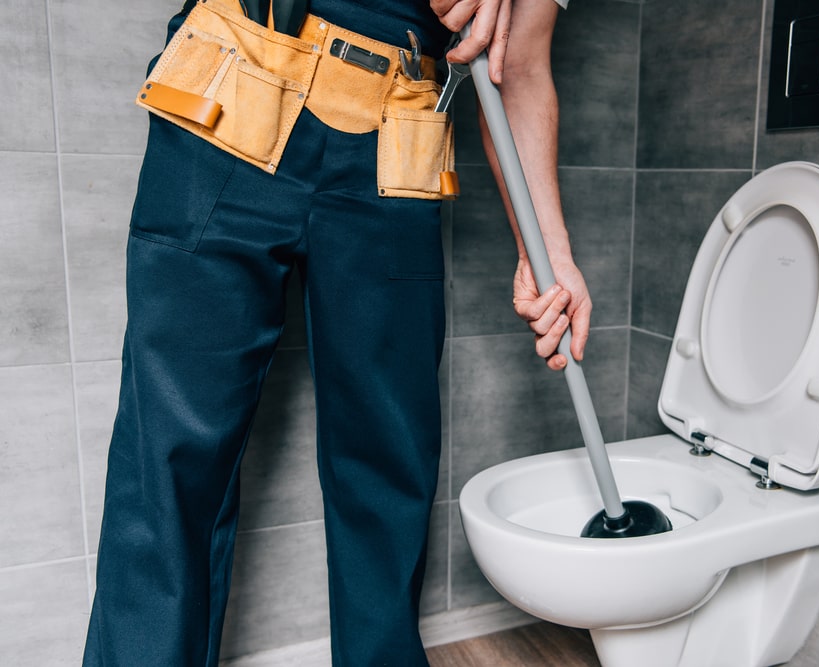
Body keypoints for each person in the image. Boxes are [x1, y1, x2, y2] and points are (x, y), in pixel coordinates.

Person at [83, 0, 590, 665]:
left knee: (389, 463)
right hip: (234, 86)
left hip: (397, 135)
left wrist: (546, 253)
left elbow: (517, 63)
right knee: (171, 463)